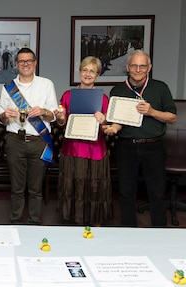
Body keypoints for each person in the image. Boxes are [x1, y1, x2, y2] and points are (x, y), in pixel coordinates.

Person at [103, 50, 177, 227]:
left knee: (157, 193)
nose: (138, 69)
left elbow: (172, 117)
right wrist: (112, 128)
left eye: (142, 66)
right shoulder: (118, 90)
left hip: (154, 147)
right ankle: (129, 232)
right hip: (126, 147)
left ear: (149, 68)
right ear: (127, 68)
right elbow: (117, 120)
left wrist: (152, 112)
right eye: (134, 66)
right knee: (126, 192)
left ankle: (159, 232)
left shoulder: (160, 88)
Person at [0, 47, 58, 225]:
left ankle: (34, 221)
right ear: (16, 64)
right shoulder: (8, 87)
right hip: (15, 141)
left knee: (35, 188)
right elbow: (1, 118)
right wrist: (5, 115)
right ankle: (15, 221)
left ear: (35, 63)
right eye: (22, 61)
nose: (25, 64)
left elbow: (54, 115)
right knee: (16, 187)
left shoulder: (46, 84)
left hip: (39, 141)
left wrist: (43, 111)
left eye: (29, 61)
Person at [54, 56, 113, 226]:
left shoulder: (103, 99)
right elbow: (61, 124)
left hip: (95, 150)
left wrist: (104, 121)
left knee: (95, 188)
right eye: (85, 70)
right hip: (72, 148)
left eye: (92, 71)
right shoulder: (67, 95)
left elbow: (108, 129)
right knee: (73, 186)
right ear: (79, 72)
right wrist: (61, 118)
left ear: (97, 75)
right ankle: (75, 221)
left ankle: (95, 221)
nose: (88, 74)